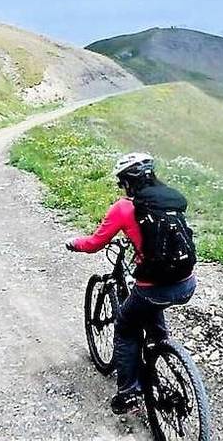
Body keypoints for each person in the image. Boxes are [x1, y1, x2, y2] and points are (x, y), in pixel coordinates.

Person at [66, 152, 197, 414]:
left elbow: (94, 244)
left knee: (125, 327)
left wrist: (73, 243)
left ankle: (128, 394)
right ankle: (160, 347)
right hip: (186, 283)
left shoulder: (124, 208)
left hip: (154, 288)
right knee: (150, 308)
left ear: (127, 182)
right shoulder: (169, 199)